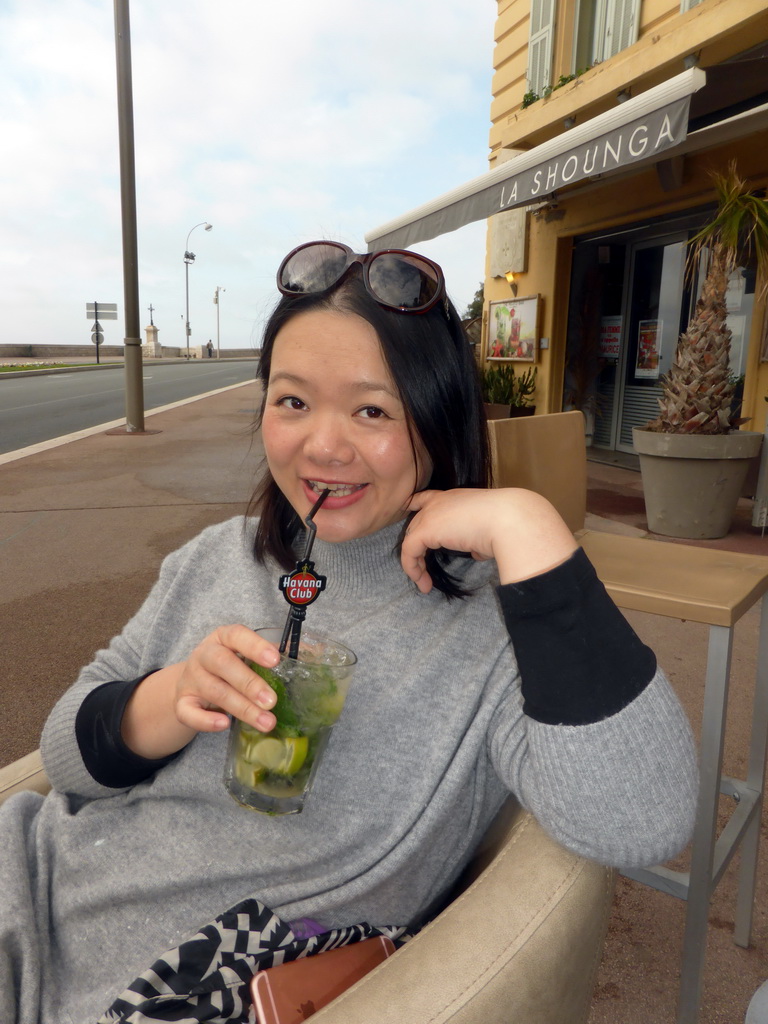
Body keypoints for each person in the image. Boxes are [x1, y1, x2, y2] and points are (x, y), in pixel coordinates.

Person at [0, 240, 699, 1024]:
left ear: (436, 418)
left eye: (372, 410)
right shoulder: (212, 560)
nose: (322, 447)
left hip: (167, 985)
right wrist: (168, 700)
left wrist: (529, 526)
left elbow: (645, 820)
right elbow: (65, 761)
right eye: (292, 401)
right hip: (26, 884)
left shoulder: (495, 631)